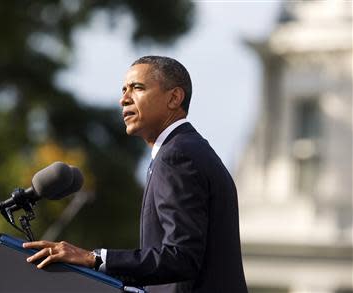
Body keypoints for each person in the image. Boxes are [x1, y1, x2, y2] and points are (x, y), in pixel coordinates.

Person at [23, 56, 248, 292]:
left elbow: (181, 257)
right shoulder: (186, 149)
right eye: (123, 90)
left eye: (137, 88)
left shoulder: (177, 156)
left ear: (174, 98)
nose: (124, 99)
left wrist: (95, 258)